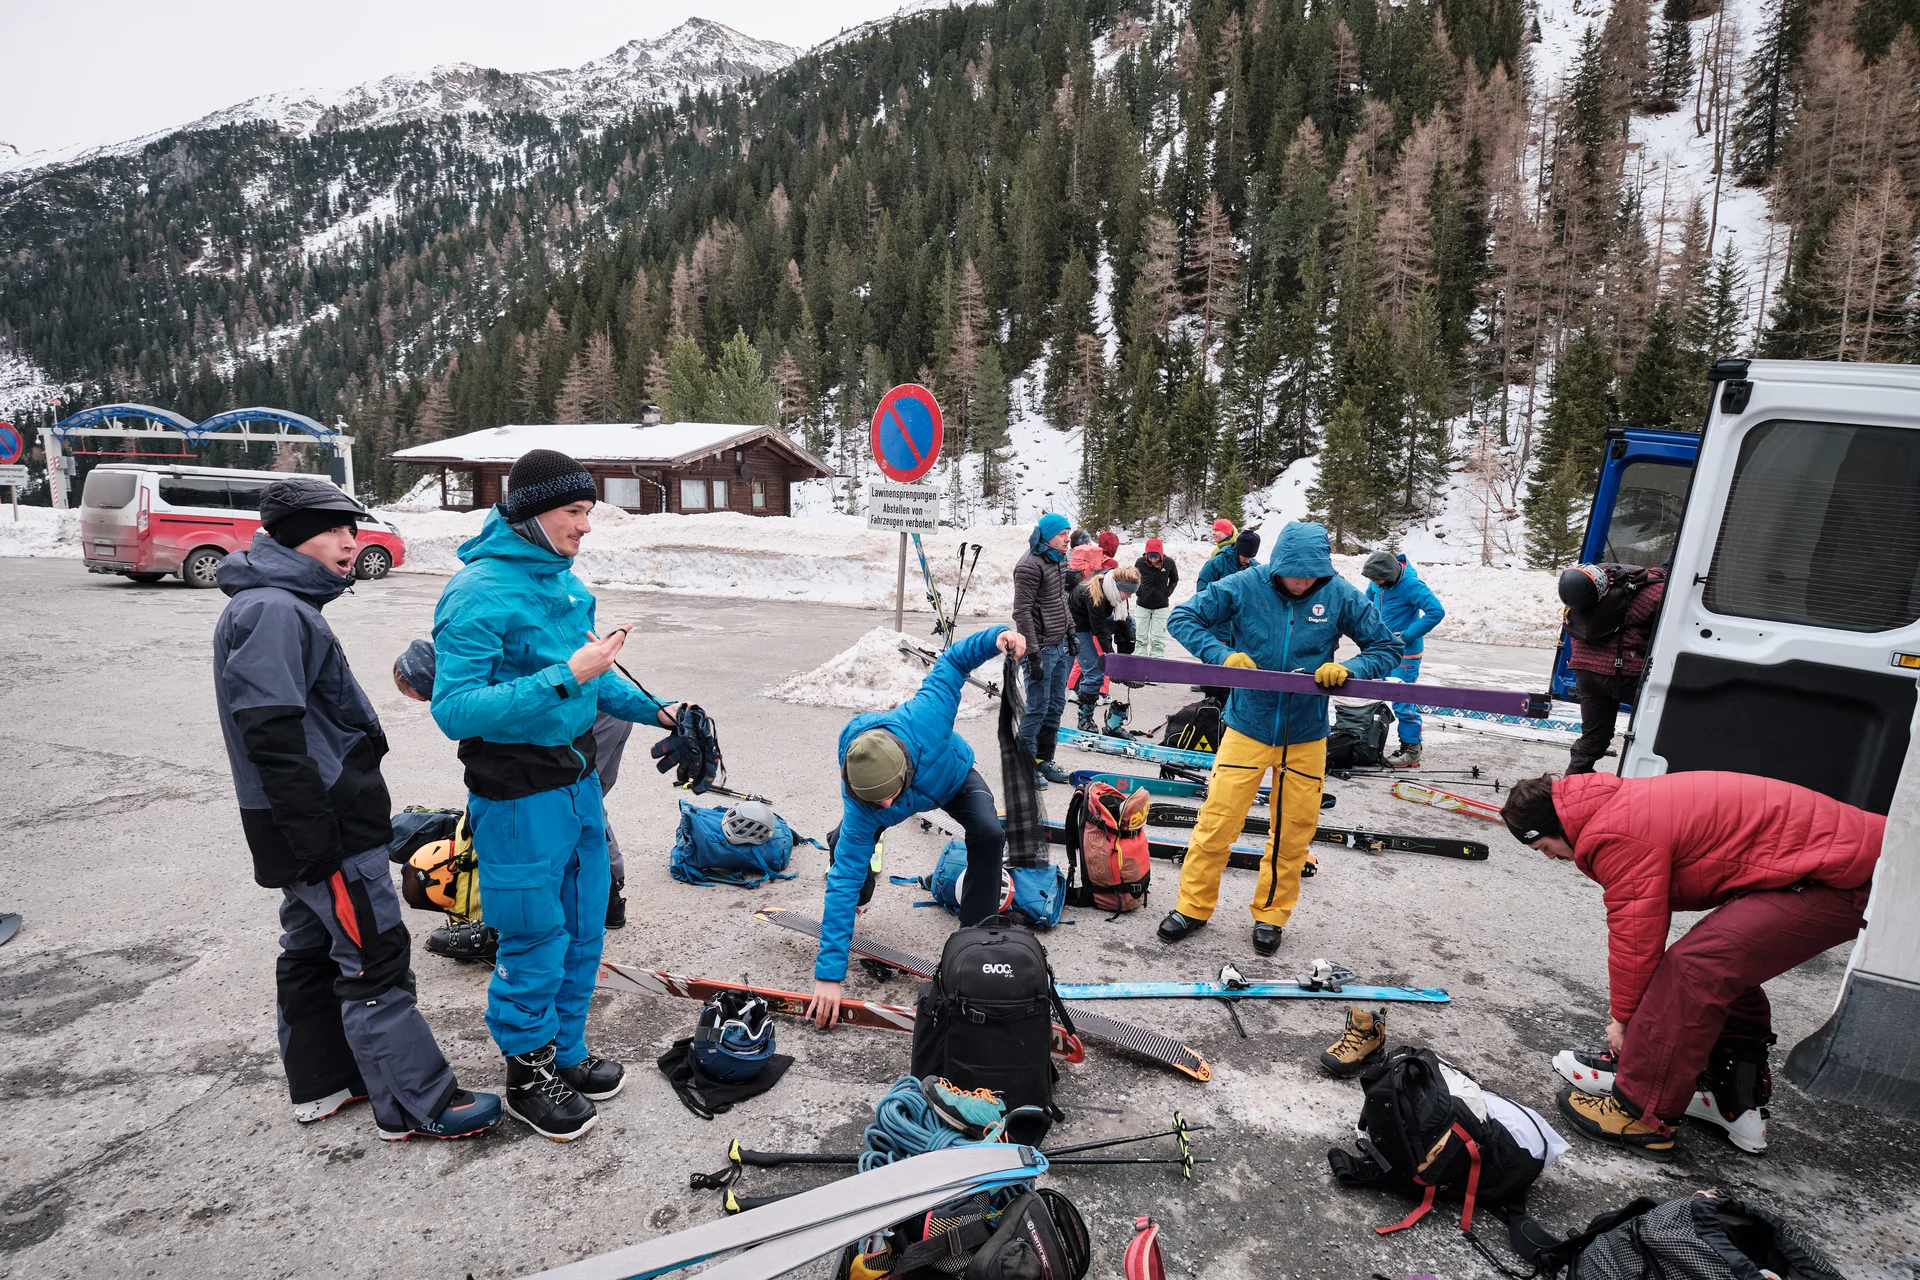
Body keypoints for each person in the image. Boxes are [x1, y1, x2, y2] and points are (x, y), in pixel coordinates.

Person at [213, 477, 501, 1142]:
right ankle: (417, 1103)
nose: (351, 543)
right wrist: (317, 832)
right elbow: (271, 734)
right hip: (327, 826)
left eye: (354, 528)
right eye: (334, 530)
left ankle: (324, 1083)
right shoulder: (275, 612)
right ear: (289, 537)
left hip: (305, 823)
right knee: (374, 956)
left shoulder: (274, 605)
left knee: (312, 947)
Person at [430, 448, 682, 1143]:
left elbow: (596, 679)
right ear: (535, 512)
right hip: (516, 795)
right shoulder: (478, 591)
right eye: (575, 512)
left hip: (575, 783)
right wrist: (564, 677)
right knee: (535, 934)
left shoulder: (565, 586)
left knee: (583, 923)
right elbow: (455, 708)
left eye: (588, 512)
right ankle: (527, 1069)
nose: (586, 527)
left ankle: (564, 1051)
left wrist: (663, 712)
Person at [1502, 772, 1882, 1156]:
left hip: (1851, 876)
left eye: (1545, 847)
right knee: (1722, 960)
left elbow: (1636, 939)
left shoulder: (1614, 832)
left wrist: (1623, 1023)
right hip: (1837, 863)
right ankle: (1729, 1094)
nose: (1551, 858)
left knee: (1695, 969)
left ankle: (1639, 1113)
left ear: (1556, 827)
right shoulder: (1614, 806)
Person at [1163, 523, 1402, 955]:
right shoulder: (1243, 585)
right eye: (1295, 574)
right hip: (1246, 727)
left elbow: (1385, 647)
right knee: (1217, 822)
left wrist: (1352, 670)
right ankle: (1192, 907)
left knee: (1293, 831)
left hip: (1307, 733)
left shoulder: (1340, 595)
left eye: (1312, 575)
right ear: (1278, 567)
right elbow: (1183, 617)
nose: (1303, 582)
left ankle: (1271, 915)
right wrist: (1222, 657)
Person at [807, 626, 1028, 1028]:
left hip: (951, 776)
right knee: (850, 862)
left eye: (889, 796)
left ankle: (974, 940)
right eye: (877, 802)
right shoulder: (863, 804)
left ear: (902, 771)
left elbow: (955, 661)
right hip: (871, 816)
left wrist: (997, 637)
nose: (889, 806)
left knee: (990, 833)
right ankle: (854, 862)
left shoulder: (928, 714)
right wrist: (829, 976)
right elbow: (840, 885)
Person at [392, 642, 636, 965]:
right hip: (603, 711)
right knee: (581, 804)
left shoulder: (476, 678)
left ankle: (604, 897)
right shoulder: (471, 664)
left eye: (426, 695)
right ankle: (604, 895)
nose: (432, 704)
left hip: (595, 714)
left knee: (575, 803)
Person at [1562, 564, 1667, 774]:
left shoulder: (1584, 583)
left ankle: (1571, 786)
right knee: (1662, 726)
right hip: (1626, 674)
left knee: (1592, 738)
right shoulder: (1655, 590)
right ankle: (1648, 781)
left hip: (1585, 673)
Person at [1360, 551, 1447, 769]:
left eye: (1376, 580)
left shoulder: (1412, 585)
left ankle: (1411, 750)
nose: (1373, 583)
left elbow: (1436, 612)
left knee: (1402, 702)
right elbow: (1366, 606)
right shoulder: (1376, 583)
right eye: (1370, 580)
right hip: (1379, 649)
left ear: (1389, 576)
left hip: (1405, 653)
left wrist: (1407, 635)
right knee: (1367, 697)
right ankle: (1364, 745)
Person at [1013, 513, 1075, 788]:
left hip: (1060, 643)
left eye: (1068, 534)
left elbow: (1060, 599)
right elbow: (1022, 612)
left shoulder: (1058, 560)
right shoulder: (1028, 566)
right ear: (1048, 535)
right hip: (1041, 648)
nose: (1067, 539)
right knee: (1037, 707)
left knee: (1056, 705)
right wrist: (1034, 653)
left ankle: (1043, 760)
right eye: (1063, 534)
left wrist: (1071, 630)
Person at [1068, 566, 1140, 731]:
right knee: (1094, 673)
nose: (1130, 596)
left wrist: (1127, 651)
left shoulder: (1116, 589)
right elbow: (1101, 632)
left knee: (1129, 624)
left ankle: (1123, 666)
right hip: (1077, 627)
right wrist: (1111, 661)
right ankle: (1084, 719)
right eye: (1129, 592)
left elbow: (1122, 621)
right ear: (1119, 588)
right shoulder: (1095, 595)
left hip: (1094, 620)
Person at [1134, 539, 1179, 657]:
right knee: (1140, 637)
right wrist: (1139, 592)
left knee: (1158, 639)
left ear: (1161, 554)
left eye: (1156, 557)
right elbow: (1134, 578)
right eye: (1150, 557)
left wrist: (1167, 592)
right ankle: (1139, 658)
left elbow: (1174, 578)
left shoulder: (1169, 563)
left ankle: (1157, 659)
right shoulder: (1140, 562)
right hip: (1142, 605)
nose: (1153, 560)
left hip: (1161, 606)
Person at [1196, 528, 1260, 591]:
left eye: (1250, 557)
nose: (1247, 561)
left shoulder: (1254, 567)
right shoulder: (1216, 564)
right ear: (1237, 551)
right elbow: (1202, 590)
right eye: (1244, 557)